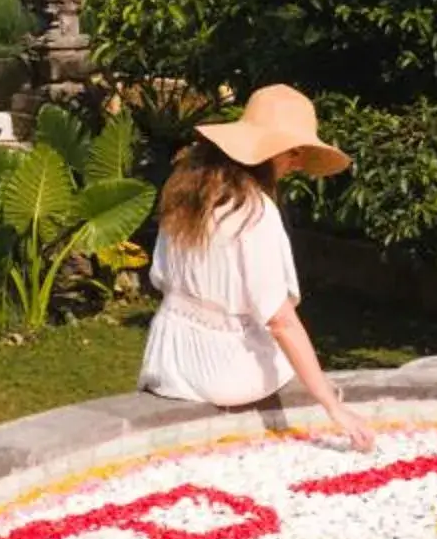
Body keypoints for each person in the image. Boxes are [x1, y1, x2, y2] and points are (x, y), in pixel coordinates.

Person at [139, 84, 374, 448]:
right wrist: (332, 405)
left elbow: (160, 276)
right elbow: (280, 320)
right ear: (269, 151)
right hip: (224, 372)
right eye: (293, 152)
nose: (296, 163)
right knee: (285, 347)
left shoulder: (184, 194)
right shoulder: (254, 212)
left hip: (168, 358)